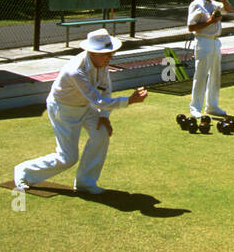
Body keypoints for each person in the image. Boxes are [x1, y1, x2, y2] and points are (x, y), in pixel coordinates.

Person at [13, 28, 147, 194]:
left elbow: (105, 90)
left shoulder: (101, 63)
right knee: (67, 158)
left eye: (110, 53)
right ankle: (24, 171)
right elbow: (97, 100)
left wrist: (104, 116)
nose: (109, 57)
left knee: (102, 133)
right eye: (106, 54)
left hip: (85, 107)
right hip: (64, 109)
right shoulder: (76, 70)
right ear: (91, 53)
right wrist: (129, 101)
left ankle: (85, 182)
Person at [187, 0, 233, 117]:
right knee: (200, 75)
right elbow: (191, 27)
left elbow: (228, 9)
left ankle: (212, 106)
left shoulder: (213, 3)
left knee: (215, 75)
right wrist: (210, 21)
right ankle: (195, 108)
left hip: (215, 42)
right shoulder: (196, 5)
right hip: (203, 41)